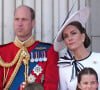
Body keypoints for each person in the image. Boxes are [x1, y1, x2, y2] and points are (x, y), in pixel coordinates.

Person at [0, 5, 59, 90]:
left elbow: (51, 86)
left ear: (33, 23)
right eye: (17, 19)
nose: (20, 23)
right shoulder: (2, 52)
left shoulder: (49, 51)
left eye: (24, 19)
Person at [54, 7, 100, 90]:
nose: (70, 38)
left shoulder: (98, 58)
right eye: (66, 36)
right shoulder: (64, 66)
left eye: (73, 33)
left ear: (83, 36)